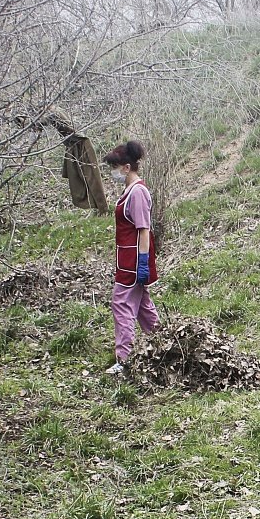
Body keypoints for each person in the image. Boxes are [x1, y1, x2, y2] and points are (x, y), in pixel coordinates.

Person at [102, 140, 159, 375]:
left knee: (121, 305)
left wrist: (143, 264)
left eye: (115, 167)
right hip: (126, 260)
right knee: (143, 307)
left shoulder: (137, 192)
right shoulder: (129, 191)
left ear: (126, 167)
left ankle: (124, 360)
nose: (112, 172)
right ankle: (164, 344)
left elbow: (144, 229)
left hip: (134, 262)